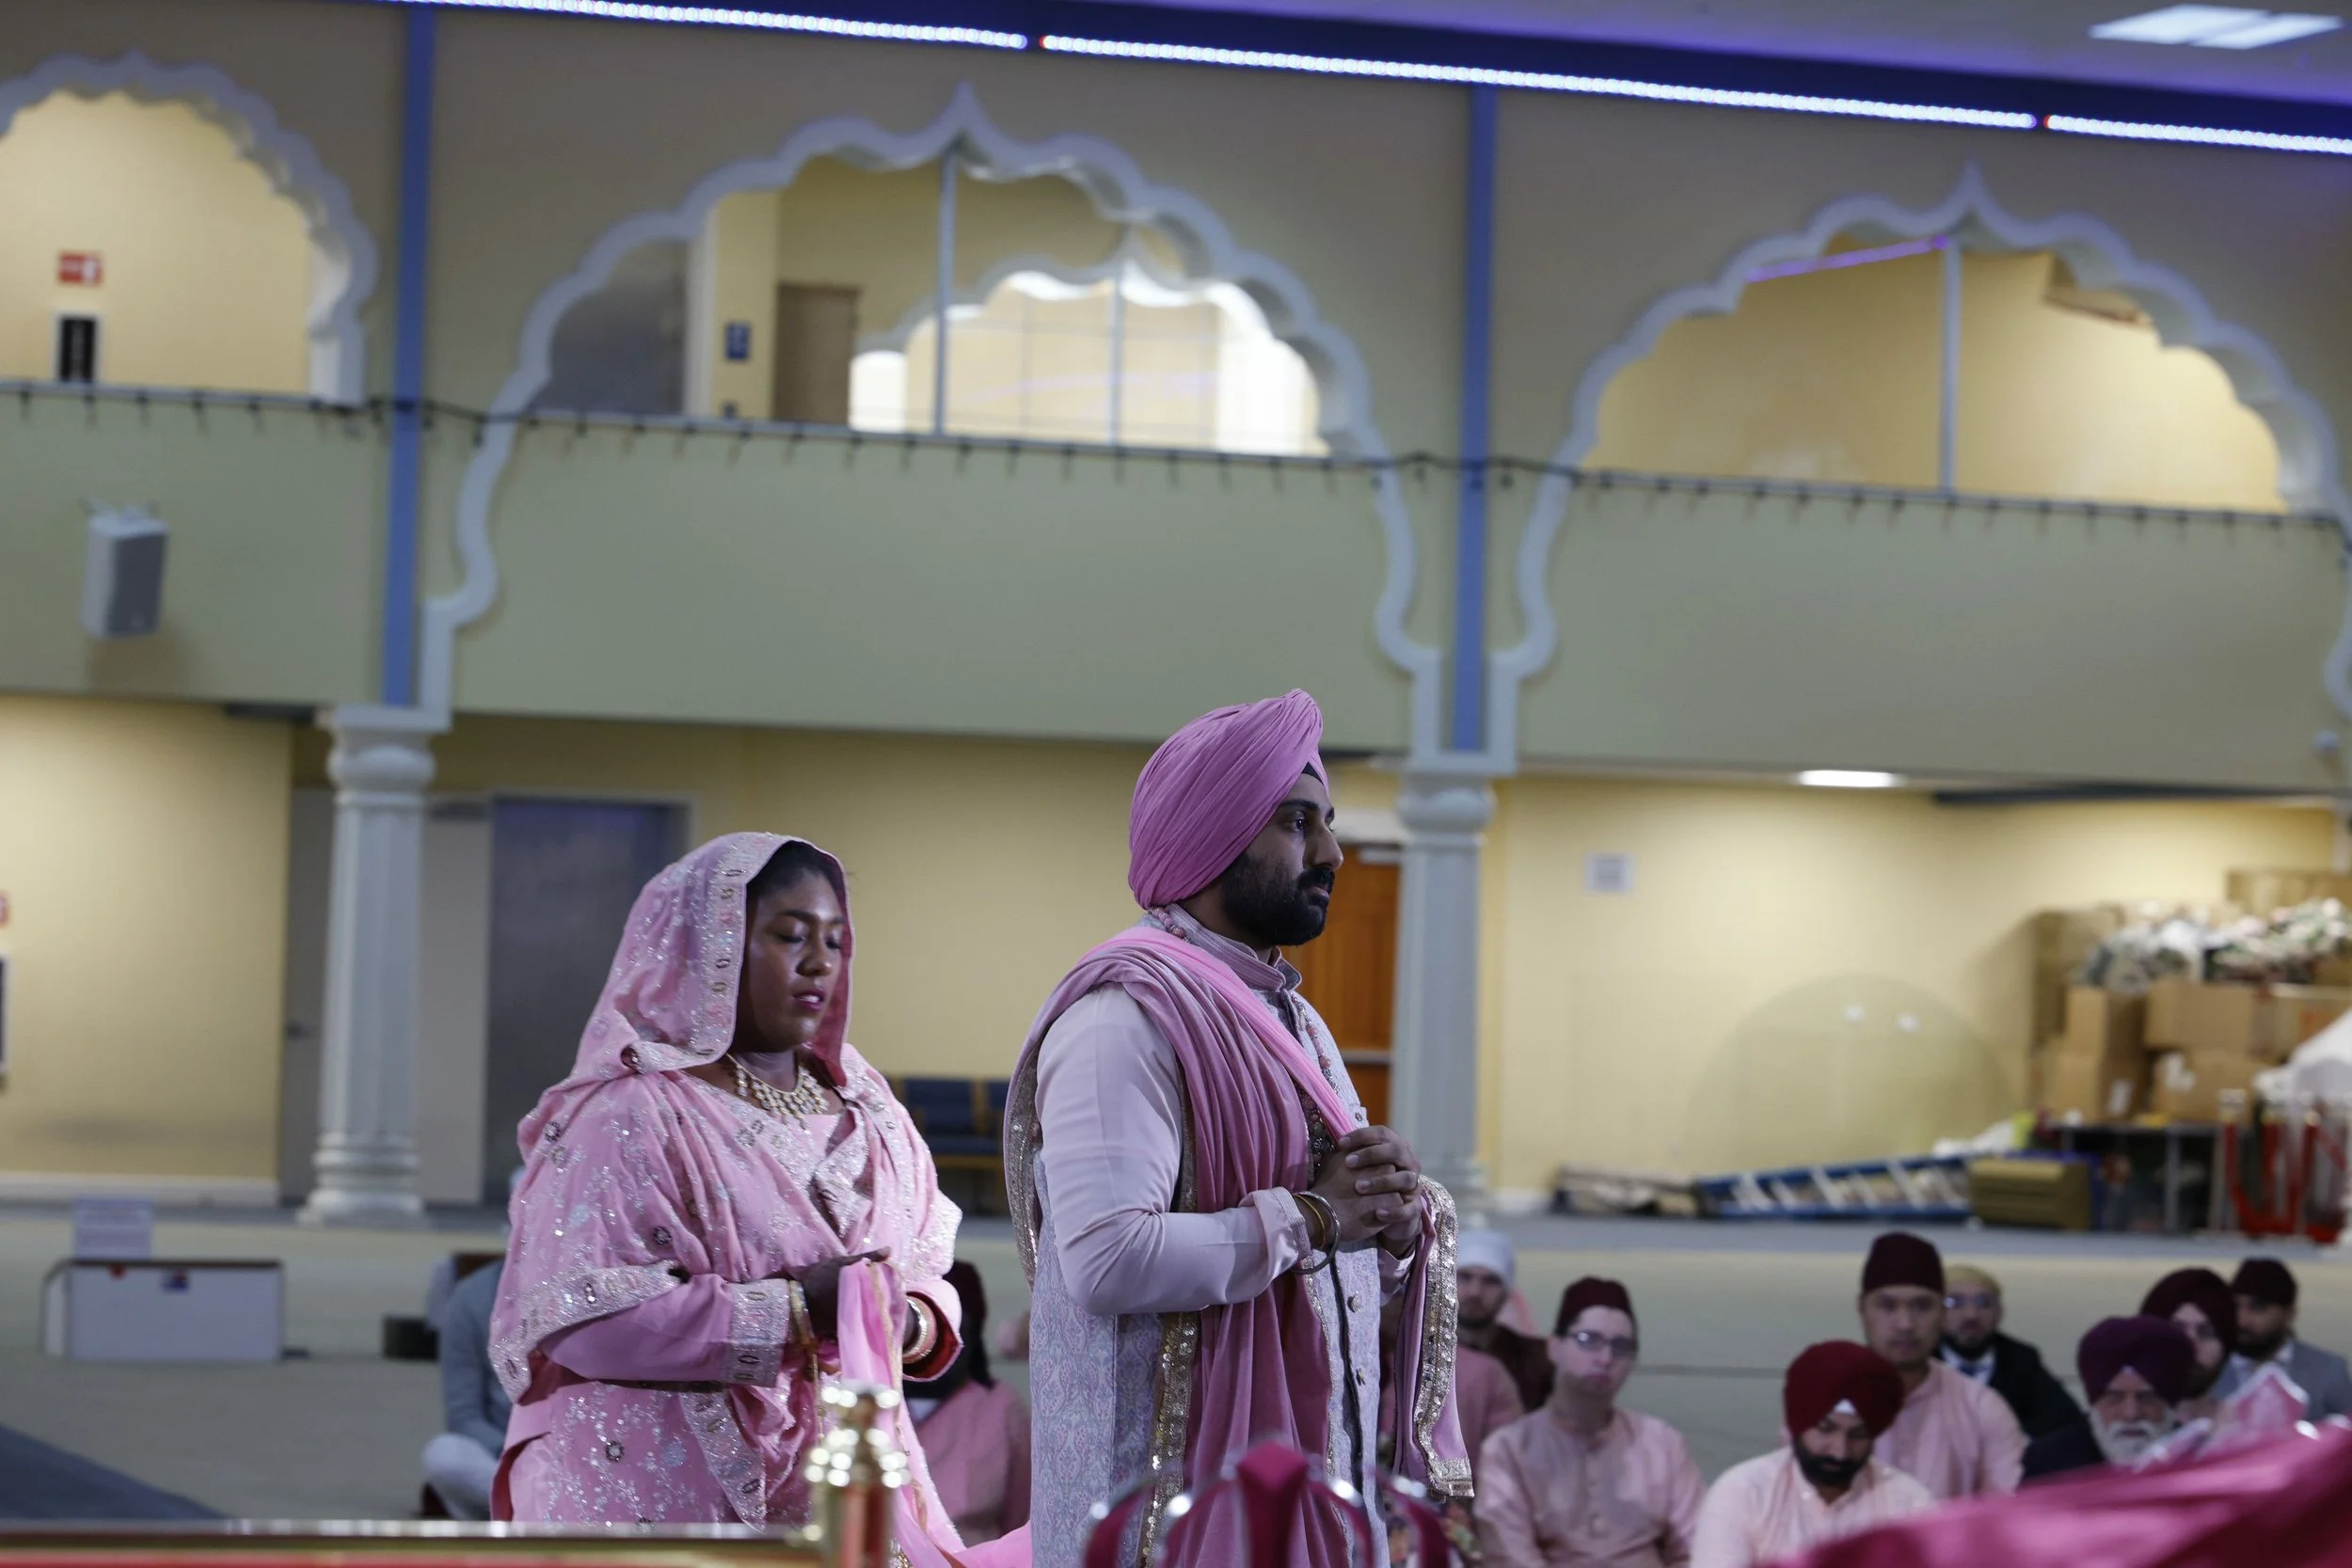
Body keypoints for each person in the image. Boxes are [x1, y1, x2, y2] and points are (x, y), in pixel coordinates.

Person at [1006, 690, 1466, 1568]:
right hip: (1159, 1511)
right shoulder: (1122, 1017)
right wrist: (1317, 1217)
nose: (1332, 852)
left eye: (1326, 822)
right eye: (1299, 822)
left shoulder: (1295, 1020)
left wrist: (1392, 1210)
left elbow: (1335, 1247)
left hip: (1299, 1479)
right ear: (1214, 838)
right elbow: (1105, 1261)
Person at [487, 834, 971, 1549]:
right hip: (657, 1478)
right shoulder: (632, 1111)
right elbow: (585, 1316)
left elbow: (927, 1270)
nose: (819, 963)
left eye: (835, 943)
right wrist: (800, 1309)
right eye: (789, 936)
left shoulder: (871, 1111)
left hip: (840, 1468)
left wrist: (909, 1321)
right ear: (704, 947)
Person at [1478, 1278, 1703, 1568]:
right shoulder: (1509, 1450)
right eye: (1589, 1341)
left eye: (1621, 1346)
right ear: (1554, 1347)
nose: (1606, 1358)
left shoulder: (1662, 1443)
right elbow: (1510, 1557)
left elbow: (1698, 1547)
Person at [1689, 1342, 1935, 1568]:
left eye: (1858, 1435)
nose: (1839, 1452)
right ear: (1797, 1422)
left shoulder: (1909, 1503)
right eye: (1826, 1429)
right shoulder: (1744, 1492)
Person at [1852, 1231, 2024, 1499]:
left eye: (1922, 1306)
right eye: (1888, 1306)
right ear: (1862, 1310)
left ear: (1942, 1314)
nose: (1905, 1324)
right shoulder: (1822, 1403)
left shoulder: (1981, 1408)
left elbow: (2005, 1518)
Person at [907, 1262, 1030, 1545]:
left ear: (974, 1336)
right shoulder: (868, 1403)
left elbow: (1020, 1526)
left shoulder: (1002, 1408)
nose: (941, 1350)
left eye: (959, 1331)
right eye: (927, 1334)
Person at [2023, 1316, 2196, 1481]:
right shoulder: (2048, 1464)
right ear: (2094, 1404)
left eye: (2146, 1398)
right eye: (2115, 1398)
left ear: (2170, 1405)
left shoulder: (2198, 1459)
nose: (2131, 1414)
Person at [1937, 1263, 2081, 1440]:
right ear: (1935, 1311)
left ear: (2000, 1312)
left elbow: (2067, 1424)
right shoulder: (1918, 1360)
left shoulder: (2021, 1360)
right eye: (1955, 1303)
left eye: (1984, 1303)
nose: (1971, 1315)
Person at [421, 1259, 508, 1519]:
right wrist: (516, 1456)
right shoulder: (472, 1297)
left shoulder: (594, 1288)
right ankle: (525, 1508)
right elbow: (464, 1417)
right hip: (503, 1457)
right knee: (444, 1454)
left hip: (579, 1456)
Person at [2229, 1259, 2352, 1421]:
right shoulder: (2208, 1370)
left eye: (2257, 1308)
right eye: (2235, 1307)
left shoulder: (2328, 1371)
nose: (2242, 1320)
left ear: (2290, 1313)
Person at [1461, 1227, 1557, 1414]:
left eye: (1490, 1281)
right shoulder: (1416, 1352)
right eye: (1465, 1277)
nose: (1475, 1292)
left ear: (1506, 1294)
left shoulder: (1538, 1361)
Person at [2138, 1267, 2238, 1421]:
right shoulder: (2102, 1435)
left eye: (2206, 1334)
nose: (2189, 1348)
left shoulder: (2249, 1435)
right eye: (2176, 1331)